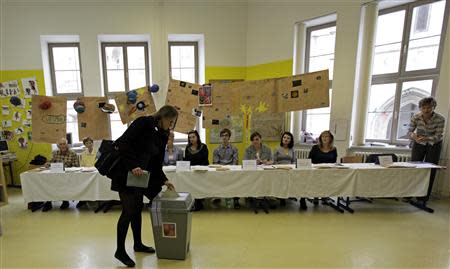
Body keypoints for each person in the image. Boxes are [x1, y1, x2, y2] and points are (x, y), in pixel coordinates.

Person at [110, 105, 177, 267]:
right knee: (128, 210)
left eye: (173, 122)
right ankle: (119, 250)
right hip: (125, 171)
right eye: (170, 121)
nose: (171, 125)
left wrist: (164, 180)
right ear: (162, 117)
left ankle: (137, 243)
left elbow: (156, 162)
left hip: (140, 176)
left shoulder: (163, 134)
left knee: (137, 207)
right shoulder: (143, 123)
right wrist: (133, 165)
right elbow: (123, 144)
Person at [408, 97, 445, 203]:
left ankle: (423, 198)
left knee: (430, 170)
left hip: (434, 144)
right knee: (414, 168)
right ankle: (410, 194)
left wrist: (427, 138)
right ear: (420, 108)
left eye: (429, 108)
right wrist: (413, 136)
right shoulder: (416, 117)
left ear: (434, 107)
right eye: (423, 108)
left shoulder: (440, 119)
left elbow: (438, 135)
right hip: (418, 143)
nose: (426, 110)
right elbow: (409, 130)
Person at [42, 138, 80, 212]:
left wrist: (65, 167)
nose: (63, 146)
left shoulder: (73, 153)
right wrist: (47, 164)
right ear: (58, 146)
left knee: (62, 182)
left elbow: (77, 166)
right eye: (61, 144)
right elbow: (50, 162)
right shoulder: (55, 153)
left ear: (67, 144)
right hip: (57, 175)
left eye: (64, 144)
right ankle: (48, 202)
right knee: (47, 182)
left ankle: (65, 201)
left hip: (68, 176)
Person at [244, 132, 273, 211]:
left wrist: (267, 162)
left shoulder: (267, 148)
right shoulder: (248, 149)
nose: (255, 141)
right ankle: (252, 197)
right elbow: (245, 162)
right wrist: (253, 162)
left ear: (260, 139)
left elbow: (272, 161)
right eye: (253, 140)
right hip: (252, 173)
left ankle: (264, 197)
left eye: (257, 139)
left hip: (264, 172)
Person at [308, 130, 337, 206]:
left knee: (327, 179)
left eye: (326, 136)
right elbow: (309, 160)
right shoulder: (315, 148)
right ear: (320, 138)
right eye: (323, 136)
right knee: (317, 179)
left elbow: (334, 162)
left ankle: (325, 197)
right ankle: (316, 196)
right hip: (316, 171)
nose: (324, 138)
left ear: (330, 139)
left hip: (328, 172)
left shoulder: (334, 149)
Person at [213, 128, 239, 209]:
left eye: (226, 135)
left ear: (229, 137)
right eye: (223, 135)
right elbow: (216, 163)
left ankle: (236, 199)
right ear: (221, 137)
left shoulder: (234, 149)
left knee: (237, 179)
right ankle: (217, 196)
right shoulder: (216, 150)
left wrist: (230, 170)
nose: (224, 137)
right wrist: (221, 170)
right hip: (220, 170)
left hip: (231, 170)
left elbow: (235, 161)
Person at [184, 130, 209, 211]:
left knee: (198, 184)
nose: (191, 139)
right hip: (191, 172)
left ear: (197, 137)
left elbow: (205, 160)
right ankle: (192, 202)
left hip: (202, 171)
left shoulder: (203, 146)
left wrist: (198, 169)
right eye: (190, 137)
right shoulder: (187, 148)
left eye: (193, 137)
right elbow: (186, 161)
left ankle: (199, 202)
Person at [273, 132, 298, 208]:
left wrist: (292, 167)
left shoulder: (292, 149)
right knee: (282, 178)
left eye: (288, 138)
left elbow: (294, 161)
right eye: (284, 137)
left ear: (291, 140)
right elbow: (274, 160)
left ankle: (289, 194)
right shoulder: (277, 148)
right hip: (279, 169)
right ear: (282, 139)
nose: (286, 139)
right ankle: (282, 197)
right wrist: (279, 167)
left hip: (290, 169)